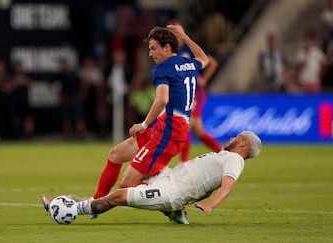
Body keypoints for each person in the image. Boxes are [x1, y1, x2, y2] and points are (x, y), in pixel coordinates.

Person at [90, 24, 209, 206]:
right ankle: (95, 202)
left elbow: (162, 99)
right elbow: (203, 58)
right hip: (168, 127)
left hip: (168, 131)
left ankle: (172, 202)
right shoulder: (189, 64)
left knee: (126, 184)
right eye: (149, 49)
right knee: (116, 154)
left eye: (154, 48)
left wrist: (143, 124)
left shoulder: (162, 69)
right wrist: (184, 37)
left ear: (167, 48)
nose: (150, 54)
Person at [42, 131, 262, 224]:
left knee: (119, 195)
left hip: (170, 191)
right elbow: (208, 184)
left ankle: (70, 209)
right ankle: (175, 214)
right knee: (131, 173)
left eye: (237, 137)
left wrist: (210, 205)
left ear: (243, 144)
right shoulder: (226, 156)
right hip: (168, 177)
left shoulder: (235, 160)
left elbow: (227, 186)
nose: (232, 137)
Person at [168, 20, 222, 161]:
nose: (176, 37)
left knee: (186, 123)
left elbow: (212, 63)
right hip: (182, 93)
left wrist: (203, 80)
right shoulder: (170, 52)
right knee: (198, 131)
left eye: (177, 34)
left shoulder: (189, 49)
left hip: (194, 92)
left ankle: (183, 162)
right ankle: (222, 152)